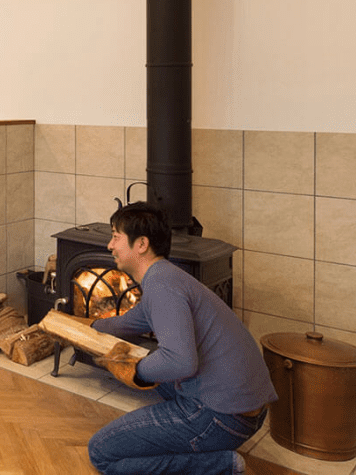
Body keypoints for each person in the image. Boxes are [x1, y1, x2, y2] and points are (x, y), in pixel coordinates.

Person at [86, 201, 277, 475]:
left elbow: (180, 362)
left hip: (221, 418)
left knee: (101, 452)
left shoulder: (161, 285)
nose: (110, 245)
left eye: (116, 237)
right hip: (244, 409)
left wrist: (133, 370)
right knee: (152, 362)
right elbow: (131, 321)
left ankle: (221, 465)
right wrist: (90, 326)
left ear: (141, 244)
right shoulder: (167, 275)